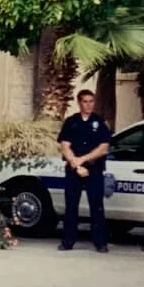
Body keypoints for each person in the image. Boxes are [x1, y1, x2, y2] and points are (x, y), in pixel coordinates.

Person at [57, 89, 112, 253]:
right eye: (85, 101)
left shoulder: (100, 122)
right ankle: (67, 241)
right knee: (71, 207)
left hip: (94, 170)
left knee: (97, 207)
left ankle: (100, 243)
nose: (89, 105)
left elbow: (103, 148)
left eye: (91, 101)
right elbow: (65, 146)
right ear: (79, 103)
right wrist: (77, 164)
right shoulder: (71, 122)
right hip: (74, 170)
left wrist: (83, 160)